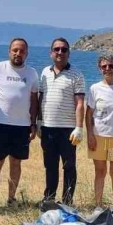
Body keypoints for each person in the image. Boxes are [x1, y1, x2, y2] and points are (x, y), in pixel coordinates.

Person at [0, 38, 39, 209]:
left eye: (21, 51)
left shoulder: (32, 73)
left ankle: (11, 199)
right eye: (15, 50)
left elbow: (34, 100)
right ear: (9, 51)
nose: (18, 53)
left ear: (26, 53)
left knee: (16, 163)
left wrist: (33, 124)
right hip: (0, 124)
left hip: (22, 126)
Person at [38, 38, 85, 206]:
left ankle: (67, 201)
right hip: (48, 128)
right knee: (50, 166)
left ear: (68, 53)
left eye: (64, 50)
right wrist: (38, 121)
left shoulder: (76, 74)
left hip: (68, 130)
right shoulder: (44, 72)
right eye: (57, 49)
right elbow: (41, 97)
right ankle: (49, 198)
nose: (60, 52)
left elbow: (80, 103)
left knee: (69, 166)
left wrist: (79, 127)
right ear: (51, 52)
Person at [86, 54, 113, 209]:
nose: (107, 69)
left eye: (110, 66)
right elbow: (89, 113)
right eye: (104, 66)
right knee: (100, 172)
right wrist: (89, 135)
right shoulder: (94, 88)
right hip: (98, 136)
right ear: (100, 68)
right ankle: (98, 205)